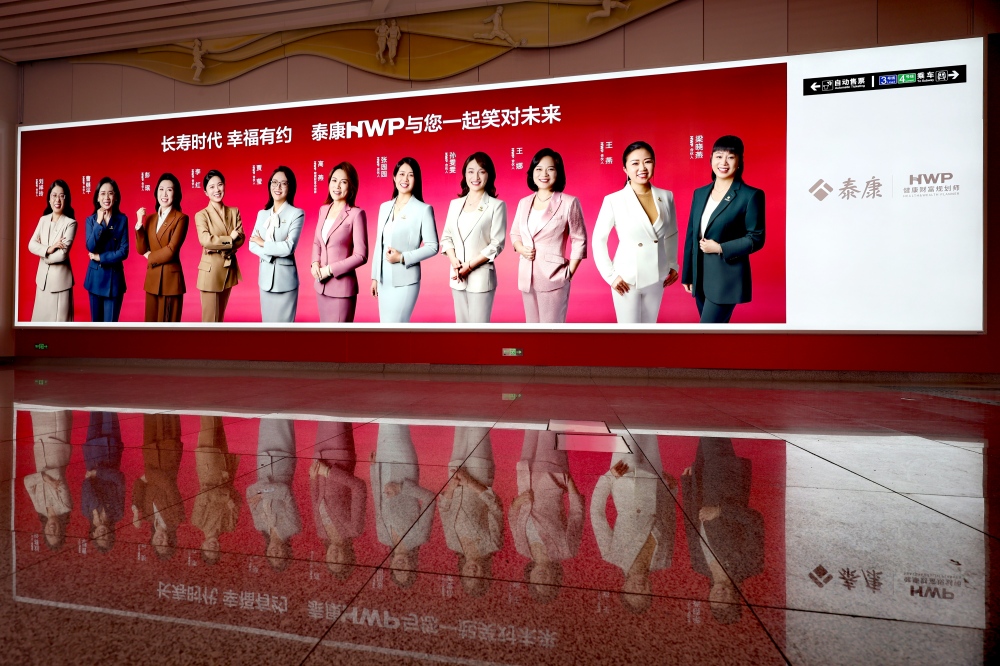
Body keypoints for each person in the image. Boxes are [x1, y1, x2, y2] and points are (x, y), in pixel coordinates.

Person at [593, 141, 679, 324]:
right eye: (635, 163)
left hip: (657, 275)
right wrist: (610, 276)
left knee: (649, 330)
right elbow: (598, 240)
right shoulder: (614, 200)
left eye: (647, 162)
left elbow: (671, 233)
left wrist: (673, 264)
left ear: (654, 164)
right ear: (625, 169)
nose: (642, 168)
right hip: (626, 278)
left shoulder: (666, 196)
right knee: (628, 333)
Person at [681, 135, 765, 323]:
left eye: (731, 157)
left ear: (739, 162)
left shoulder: (750, 195)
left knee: (707, 331)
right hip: (700, 277)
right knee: (714, 334)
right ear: (711, 159)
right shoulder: (700, 193)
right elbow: (691, 235)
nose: (723, 162)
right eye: (719, 156)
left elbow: (756, 237)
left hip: (726, 279)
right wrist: (688, 274)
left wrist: (720, 248)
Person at [681, 437, 764, 625]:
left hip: (699, 484)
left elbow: (691, 527)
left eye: (716, 602)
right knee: (711, 427)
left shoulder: (699, 566)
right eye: (726, 602)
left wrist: (687, 486)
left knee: (704, 428)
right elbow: (755, 521)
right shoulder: (750, 566)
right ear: (736, 599)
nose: (720, 596)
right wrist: (720, 511)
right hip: (725, 480)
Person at [590, 435, 676, 614]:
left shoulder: (612, 555)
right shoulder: (663, 560)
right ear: (651, 591)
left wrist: (609, 478)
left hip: (624, 478)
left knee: (627, 428)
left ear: (624, 587)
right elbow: (668, 521)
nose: (639, 588)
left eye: (633, 592)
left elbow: (597, 514)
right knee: (650, 429)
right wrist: (671, 491)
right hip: (655, 479)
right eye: (644, 594)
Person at [510, 148, 587, 323]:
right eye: (538, 169)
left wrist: (569, 272)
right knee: (532, 329)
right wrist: (521, 249)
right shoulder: (524, 202)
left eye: (550, 169)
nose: (544, 174)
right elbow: (515, 233)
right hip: (527, 276)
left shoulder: (569, 202)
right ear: (532, 172)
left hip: (554, 276)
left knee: (552, 330)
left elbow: (579, 239)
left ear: (558, 173)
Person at [510, 430, 583, 604]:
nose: (542, 579)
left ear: (530, 578)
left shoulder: (522, 548)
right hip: (551, 477)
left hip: (526, 477)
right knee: (549, 426)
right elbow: (577, 515)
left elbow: (512, 518)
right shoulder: (566, 551)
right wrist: (569, 482)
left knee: (530, 425)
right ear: (555, 578)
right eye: (547, 584)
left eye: (537, 583)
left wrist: (517, 502)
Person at [440, 152, 506, 323]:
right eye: (470, 171)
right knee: (460, 329)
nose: (475, 177)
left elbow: (497, 244)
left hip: (481, 278)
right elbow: (446, 237)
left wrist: (469, 266)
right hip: (457, 276)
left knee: (479, 330)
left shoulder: (496, 206)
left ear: (489, 175)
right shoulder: (455, 204)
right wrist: (454, 261)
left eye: (481, 171)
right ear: (464, 174)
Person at [371, 157, 438, 323]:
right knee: (385, 328)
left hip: (406, 279)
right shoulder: (384, 207)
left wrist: (402, 257)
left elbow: (433, 246)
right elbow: (379, 244)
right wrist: (374, 277)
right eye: (401, 174)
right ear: (394, 177)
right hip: (383, 280)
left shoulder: (423, 209)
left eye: (411, 175)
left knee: (397, 326)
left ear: (416, 179)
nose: (405, 179)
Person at [439, 427, 503, 597]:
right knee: (478, 424)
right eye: (477, 576)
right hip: (479, 473)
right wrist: (469, 482)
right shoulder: (492, 545)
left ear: (462, 573)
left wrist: (451, 487)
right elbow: (496, 508)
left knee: (461, 422)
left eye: (468, 577)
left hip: (455, 477)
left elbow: (444, 510)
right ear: (485, 573)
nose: (472, 572)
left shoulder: (452, 543)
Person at [370, 423, 436, 588]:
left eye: (397, 571)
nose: (400, 566)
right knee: (394, 422)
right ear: (413, 565)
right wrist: (401, 488)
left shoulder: (383, 538)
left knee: (384, 420)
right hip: (404, 467)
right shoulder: (420, 537)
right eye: (405, 570)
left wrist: (373, 471)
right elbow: (430, 499)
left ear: (391, 567)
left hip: (382, 469)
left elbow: (378, 502)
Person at [312, 162, 368, 323]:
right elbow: (317, 242)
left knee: (339, 336)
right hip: (321, 286)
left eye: (343, 182)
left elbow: (361, 255)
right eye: (334, 180)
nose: (337, 186)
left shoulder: (356, 214)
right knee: (325, 335)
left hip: (342, 289)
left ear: (351, 186)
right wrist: (314, 263)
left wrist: (329, 270)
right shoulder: (323, 210)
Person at [310, 421, 366, 580]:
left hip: (320, 457)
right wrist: (328, 472)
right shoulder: (354, 529)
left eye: (330, 561)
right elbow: (359, 487)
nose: (334, 557)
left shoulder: (321, 533)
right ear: (348, 557)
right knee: (336, 416)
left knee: (323, 414)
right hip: (339, 457)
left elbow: (315, 500)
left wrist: (313, 478)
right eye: (339, 561)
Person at [248, 166, 305, 323]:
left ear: (290, 187)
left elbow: (289, 247)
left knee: (285, 330)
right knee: (267, 329)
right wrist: (271, 254)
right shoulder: (262, 214)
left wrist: (263, 243)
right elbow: (252, 245)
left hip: (285, 282)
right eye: (274, 182)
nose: (277, 187)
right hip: (264, 280)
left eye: (283, 183)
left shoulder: (296, 213)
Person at [247, 419, 301, 571]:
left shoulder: (259, 525)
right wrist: (263, 493)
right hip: (282, 463)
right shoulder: (293, 527)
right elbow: (285, 492)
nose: (275, 553)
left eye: (272, 556)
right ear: (287, 552)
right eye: (280, 556)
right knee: (283, 419)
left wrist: (263, 492)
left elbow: (249, 492)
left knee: (266, 418)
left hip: (263, 463)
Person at [135, 173, 189, 322]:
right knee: (150, 326)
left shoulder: (181, 218)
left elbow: (171, 250)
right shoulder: (150, 218)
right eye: (161, 189)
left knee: (168, 327)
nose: (164, 194)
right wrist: (139, 223)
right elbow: (141, 249)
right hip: (152, 279)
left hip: (170, 281)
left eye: (169, 190)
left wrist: (150, 256)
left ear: (175, 194)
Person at [132, 413, 185, 560]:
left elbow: (138, 484)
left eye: (158, 545)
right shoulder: (177, 518)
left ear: (152, 541)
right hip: (168, 456)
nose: (161, 541)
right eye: (165, 544)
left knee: (149, 414)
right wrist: (148, 476)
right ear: (170, 541)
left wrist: (135, 512)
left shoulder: (147, 516)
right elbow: (168, 484)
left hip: (151, 455)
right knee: (168, 413)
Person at [195, 170, 244, 323]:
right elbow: (205, 240)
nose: (217, 190)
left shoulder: (234, 211)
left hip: (228, 270)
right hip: (210, 273)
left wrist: (216, 246)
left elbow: (241, 238)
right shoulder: (201, 215)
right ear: (205, 192)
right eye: (211, 187)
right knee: (210, 321)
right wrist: (230, 238)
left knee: (219, 320)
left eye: (220, 185)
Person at [192, 416, 241, 565]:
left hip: (209, 467)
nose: (213, 548)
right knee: (217, 421)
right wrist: (229, 498)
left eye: (209, 550)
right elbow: (238, 499)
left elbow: (204, 495)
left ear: (202, 546)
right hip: (225, 469)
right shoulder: (229, 526)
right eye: (216, 551)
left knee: (208, 422)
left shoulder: (198, 521)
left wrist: (226, 498)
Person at [27, 180, 77, 322]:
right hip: (42, 282)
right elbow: (31, 244)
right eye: (54, 195)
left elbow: (62, 255)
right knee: (39, 324)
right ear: (49, 199)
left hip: (60, 284)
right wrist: (49, 249)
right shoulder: (43, 220)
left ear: (66, 199)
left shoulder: (70, 223)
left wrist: (42, 253)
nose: (57, 200)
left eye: (61, 196)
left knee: (59, 327)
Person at [25, 410, 73, 551]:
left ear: (44, 531)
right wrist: (44, 478)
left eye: (49, 534)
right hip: (56, 441)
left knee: (36, 406)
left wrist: (46, 479)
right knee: (54, 403)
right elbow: (57, 473)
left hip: (39, 445)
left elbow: (27, 482)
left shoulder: (39, 507)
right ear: (62, 530)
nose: (52, 530)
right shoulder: (65, 506)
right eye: (56, 534)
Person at [84, 177, 129, 322]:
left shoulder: (122, 220)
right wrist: (99, 221)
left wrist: (100, 257)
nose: (107, 197)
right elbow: (90, 246)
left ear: (115, 197)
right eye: (103, 193)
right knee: (95, 327)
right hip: (95, 279)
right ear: (97, 197)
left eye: (110, 193)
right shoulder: (90, 220)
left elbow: (124, 251)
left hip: (114, 281)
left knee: (111, 327)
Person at [82, 411, 125, 553]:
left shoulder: (86, 511)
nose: (103, 534)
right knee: (109, 409)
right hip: (110, 452)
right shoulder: (117, 513)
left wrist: (95, 512)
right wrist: (97, 474)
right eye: (107, 537)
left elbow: (86, 485)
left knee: (94, 409)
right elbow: (119, 479)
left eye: (100, 537)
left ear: (93, 535)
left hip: (92, 454)